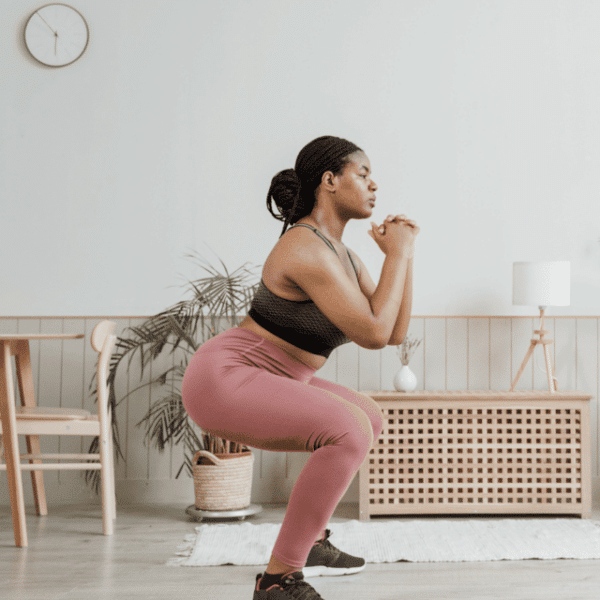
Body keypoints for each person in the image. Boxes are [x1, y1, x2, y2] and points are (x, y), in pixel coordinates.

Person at [181, 135, 419, 600]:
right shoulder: (304, 246)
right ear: (329, 181)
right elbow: (372, 333)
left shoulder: (344, 255)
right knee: (348, 430)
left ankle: (312, 540)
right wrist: (398, 254)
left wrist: (404, 257)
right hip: (226, 377)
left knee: (369, 417)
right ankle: (277, 581)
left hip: (271, 377)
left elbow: (391, 333)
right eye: (363, 174)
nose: (375, 185)